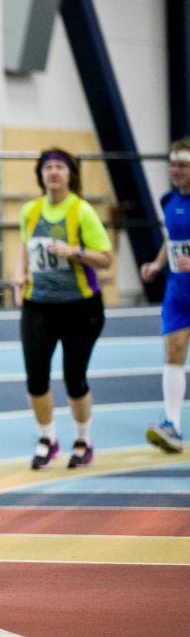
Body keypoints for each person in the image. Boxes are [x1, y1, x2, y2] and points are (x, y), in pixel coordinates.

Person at [14, 148, 112, 470]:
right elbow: (26, 248)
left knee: (74, 377)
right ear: (41, 175)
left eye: (59, 167)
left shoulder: (81, 211)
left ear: (70, 174)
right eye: (48, 167)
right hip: (38, 305)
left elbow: (106, 258)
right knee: (36, 377)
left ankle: (83, 441)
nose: (53, 172)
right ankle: (47, 440)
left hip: (80, 306)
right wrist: (19, 274)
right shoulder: (30, 211)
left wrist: (74, 251)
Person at [140, 137, 190, 453]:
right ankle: (172, 426)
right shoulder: (168, 201)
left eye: (183, 165)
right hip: (178, 293)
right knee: (173, 353)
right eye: (173, 165)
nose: (176, 170)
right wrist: (157, 264)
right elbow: (172, 239)